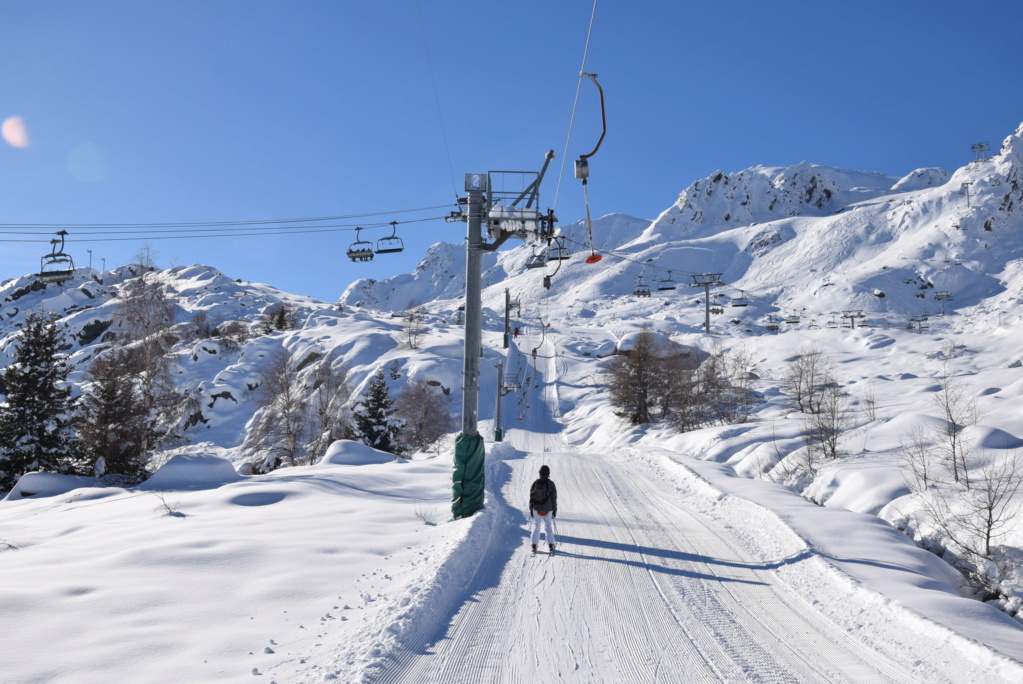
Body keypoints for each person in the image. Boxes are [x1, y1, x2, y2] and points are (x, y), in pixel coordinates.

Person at [528, 465, 558, 554]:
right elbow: (554, 498)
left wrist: (531, 508)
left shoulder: (535, 483)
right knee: (548, 525)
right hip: (548, 509)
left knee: (536, 525)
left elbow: (531, 496)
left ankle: (534, 545)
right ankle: (551, 545)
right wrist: (554, 510)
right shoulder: (551, 484)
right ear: (548, 474)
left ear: (540, 473)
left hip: (536, 508)